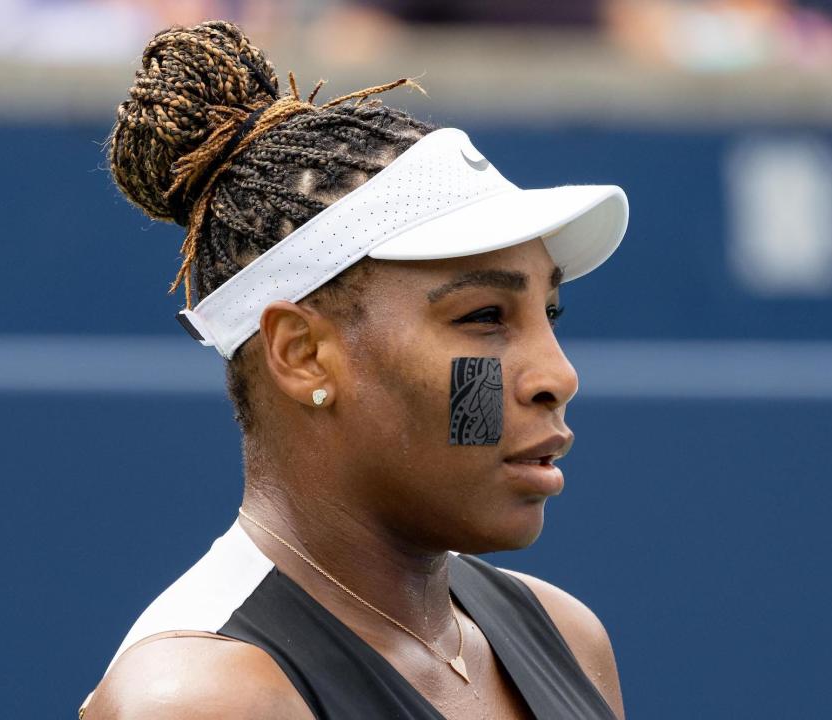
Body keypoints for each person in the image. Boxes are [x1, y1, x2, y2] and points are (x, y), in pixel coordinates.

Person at [82, 19, 628, 720]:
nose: (557, 375)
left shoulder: (566, 637)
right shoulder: (207, 699)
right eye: (485, 317)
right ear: (302, 353)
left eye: (549, 315)